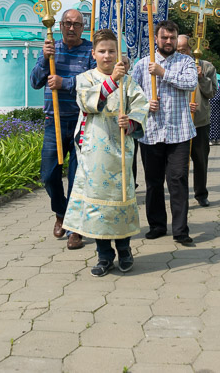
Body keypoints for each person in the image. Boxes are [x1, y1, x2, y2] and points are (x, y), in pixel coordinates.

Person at [62, 29, 148, 277]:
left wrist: (130, 122)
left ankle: (125, 250)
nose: (107, 56)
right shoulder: (85, 79)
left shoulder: (129, 82)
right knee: (97, 206)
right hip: (94, 151)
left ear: (118, 54)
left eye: (112, 51)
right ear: (94, 54)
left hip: (120, 150)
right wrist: (112, 81)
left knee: (119, 200)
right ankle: (103, 256)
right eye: (102, 51)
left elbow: (140, 106)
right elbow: (89, 104)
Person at [29, 9, 95, 250]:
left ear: (83, 27)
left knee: (78, 178)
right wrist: (46, 61)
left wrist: (65, 83)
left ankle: (76, 230)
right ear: (59, 25)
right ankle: (61, 212)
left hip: (81, 122)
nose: (71, 28)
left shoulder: (90, 51)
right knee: (48, 175)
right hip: (53, 122)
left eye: (76, 24)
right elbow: (35, 82)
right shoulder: (50, 49)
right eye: (67, 23)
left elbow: (93, 84)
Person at [130, 20, 198, 246]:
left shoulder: (185, 61)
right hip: (151, 131)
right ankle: (157, 225)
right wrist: (145, 105)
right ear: (156, 39)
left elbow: (190, 83)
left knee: (177, 180)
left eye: (172, 37)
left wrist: (163, 72)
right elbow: (131, 94)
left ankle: (180, 230)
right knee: (153, 181)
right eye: (164, 37)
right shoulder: (142, 65)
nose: (168, 41)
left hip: (179, 131)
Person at [176, 34, 218, 208]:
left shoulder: (206, 67)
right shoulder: (173, 66)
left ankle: (201, 193)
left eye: (184, 50)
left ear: (192, 49)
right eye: (178, 50)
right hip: (178, 123)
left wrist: (202, 78)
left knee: (200, 160)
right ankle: (180, 195)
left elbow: (212, 93)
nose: (182, 53)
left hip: (199, 122)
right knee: (179, 163)